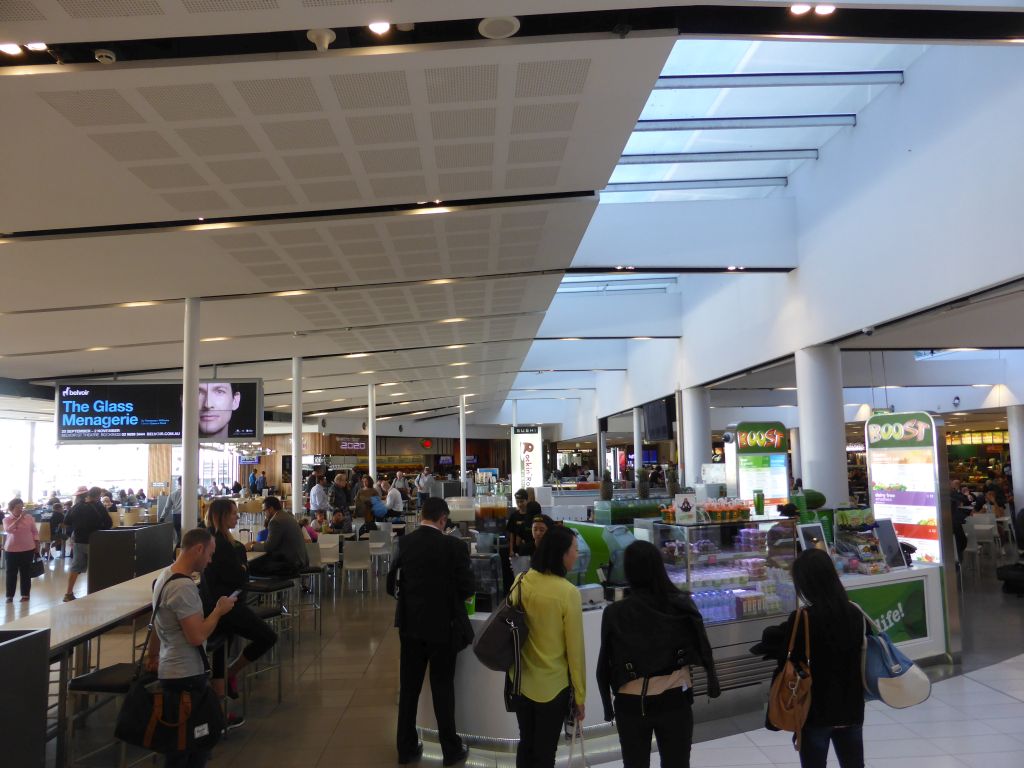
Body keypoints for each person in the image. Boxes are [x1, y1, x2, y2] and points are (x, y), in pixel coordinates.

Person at [597, 541, 720, 768]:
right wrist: (712, 682)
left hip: (631, 702)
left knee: (635, 763)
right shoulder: (681, 604)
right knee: (677, 762)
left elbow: (605, 662)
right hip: (675, 698)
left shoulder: (615, 613)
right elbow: (702, 647)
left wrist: (607, 705)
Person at [755, 549, 866, 768]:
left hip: (813, 708)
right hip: (851, 706)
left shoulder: (802, 619)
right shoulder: (854, 613)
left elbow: (782, 651)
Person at [386, 498, 473, 767]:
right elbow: (468, 588)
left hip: (410, 626)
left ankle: (406, 747)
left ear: (423, 515)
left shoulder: (404, 543)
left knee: (409, 688)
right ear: (443, 519)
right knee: (442, 687)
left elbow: (391, 586)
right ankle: (451, 749)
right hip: (443, 628)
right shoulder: (455, 546)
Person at [146, 527, 237, 768]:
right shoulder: (183, 587)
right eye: (209, 553)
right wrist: (219, 610)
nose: (210, 560)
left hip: (172, 668)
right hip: (185, 675)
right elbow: (196, 636)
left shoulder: (165, 577)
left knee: (183, 745)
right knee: (190, 748)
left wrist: (153, 654)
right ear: (198, 549)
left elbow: (157, 622)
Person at [512, 524, 586, 768]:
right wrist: (580, 695)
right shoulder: (568, 593)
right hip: (553, 688)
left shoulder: (520, 581)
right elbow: (575, 651)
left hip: (521, 682)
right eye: (574, 549)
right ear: (562, 554)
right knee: (545, 753)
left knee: (527, 744)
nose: (577, 554)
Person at [202, 499, 278, 703]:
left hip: (217, 606)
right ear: (222, 516)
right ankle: (231, 672)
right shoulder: (223, 545)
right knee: (268, 637)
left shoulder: (217, 540)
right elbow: (240, 577)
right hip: (228, 605)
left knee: (221, 645)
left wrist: (242, 569)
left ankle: (219, 695)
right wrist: (243, 569)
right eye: (234, 513)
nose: (237, 516)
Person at [64, 486, 113, 601]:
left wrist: (76, 529)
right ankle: (94, 592)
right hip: (95, 540)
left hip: (78, 541)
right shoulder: (98, 506)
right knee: (96, 567)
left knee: (75, 567)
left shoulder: (75, 507)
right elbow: (108, 523)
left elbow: (66, 523)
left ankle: (68, 593)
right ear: (97, 496)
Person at [245, 496, 308, 577]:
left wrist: (252, 546)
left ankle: (259, 588)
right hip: (300, 560)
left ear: (271, 509)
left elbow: (269, 547)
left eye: (265, 511)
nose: (264, 514)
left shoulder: (275, 521)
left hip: (290, 564)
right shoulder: (287, 516)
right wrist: (258, 544)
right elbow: (276, 542)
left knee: (250, 565)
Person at [3, 498, 39, 603]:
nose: (20, 509)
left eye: (21, 507)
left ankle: (25, 595)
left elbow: (35, 532)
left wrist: (37, 544)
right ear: (11, 508)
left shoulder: (29, 518)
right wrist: (19, 519)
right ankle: (9, 596)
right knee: (11, 573)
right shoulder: (7, 520)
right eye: (17, 508)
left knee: (25, 573)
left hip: (28, 549)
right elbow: (9, 530)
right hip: (11, 550)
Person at [506, 489, 532, 557]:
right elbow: (511, 534)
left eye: (522, 501)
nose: (520, 504)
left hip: (529, 550)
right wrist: (511, 550)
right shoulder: (514, 516)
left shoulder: (531, 515)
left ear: (527, 500)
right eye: (517, 502)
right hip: (516, 550)